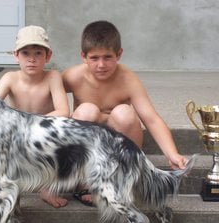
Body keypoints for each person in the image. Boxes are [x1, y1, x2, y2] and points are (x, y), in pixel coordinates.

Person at [62, 20, 187, 206]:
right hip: (88, 149)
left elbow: (151, 119)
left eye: (108, 57)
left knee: (124, 113)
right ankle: (85, 182)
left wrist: (172, 154)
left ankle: (121, 179)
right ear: (83, 56)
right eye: (94, 58)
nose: (101, 64)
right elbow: (48, 99)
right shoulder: (72, 76)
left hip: (119, 145)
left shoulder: (128, 79)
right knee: (86, 111)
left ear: (119, 54)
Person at [0, 25, 70, 208]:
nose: (32, 59)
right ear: (16, 55)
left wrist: (30, 124)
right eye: (26, 53)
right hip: (17, 137)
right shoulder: (10, 78)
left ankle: (48, 188)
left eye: (38, 53)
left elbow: (63, 111)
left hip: (43, 135)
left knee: (60, 131)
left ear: (48, 56)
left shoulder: (52, 76)